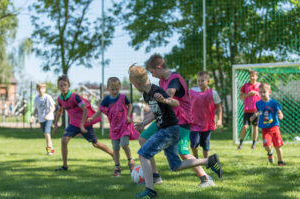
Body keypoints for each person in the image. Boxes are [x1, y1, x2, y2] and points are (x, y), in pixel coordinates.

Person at [129, 65, 222, 199]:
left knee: (143, 154)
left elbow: (176, 103)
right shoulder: (146, 94)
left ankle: (150, 190)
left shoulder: (156, 91)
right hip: (167, 129)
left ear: (136, 83)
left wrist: (165, 99)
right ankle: (209, 160)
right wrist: (144, 122)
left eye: (133, 84)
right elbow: (157, 113)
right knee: (176, 166)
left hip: (170, 130)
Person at [53, 75, 114, 171]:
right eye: (61, 86)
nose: (63, 87)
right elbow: (59, 111)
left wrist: (82, 125)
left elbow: (85, 110)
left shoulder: (75, 97)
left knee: (95, 144)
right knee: (64, 140)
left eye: (65, 85)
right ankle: (64, 166)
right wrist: (55, 125)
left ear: (68, 86)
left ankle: (114, 155)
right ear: (58, 87)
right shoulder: (60, 99)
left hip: (84, 124)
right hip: (73, 124)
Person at [87, 77, 139, 177]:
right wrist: (92, 118)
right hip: (114, 129)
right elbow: (99, 111)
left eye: (116, 89)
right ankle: (117, 167)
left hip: (124, 126)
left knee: (124, 144)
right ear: (108, 88)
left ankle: (130, 161)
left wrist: (128, 115)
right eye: (112, 89)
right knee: (115, 149)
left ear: (119, 88)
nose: (114, 91)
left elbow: (130, 105)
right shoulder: (106, 100)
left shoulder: (123, 98)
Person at [189, 71, 223, 159]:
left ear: (208, 81)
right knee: (193, 144)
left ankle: (206, 160)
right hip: (194, 123)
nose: (200, 83)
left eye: (202, 81)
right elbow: (186, 105)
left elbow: (219, 107)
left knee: (205, 145)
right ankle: (196, 158)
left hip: (207, 124)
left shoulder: (213, 93)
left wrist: (219, 119)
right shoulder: (192, 92)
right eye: (198, 81)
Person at [250, 83, 285, 166]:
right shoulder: (258, 103)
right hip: (265, 129)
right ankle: (270, 153)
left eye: (264, 92)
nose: (262, 94)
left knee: (278, 146)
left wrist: (280, 115)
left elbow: (280, 112)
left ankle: (280, 161)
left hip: (274, 127)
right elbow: (258, 111)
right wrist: (254, 116)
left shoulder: (274, 103)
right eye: (260, 92)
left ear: (269, 92)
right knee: (267, 146)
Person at [238, 70, 261, 150]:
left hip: (256, 110)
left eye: (253, 76)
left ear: (256, 77)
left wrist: (257, 93)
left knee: (255, 127)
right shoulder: (246, 85)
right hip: (247, 110)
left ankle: (253, 144)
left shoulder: (260, 85)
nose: (252, 77)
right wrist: (248, 94)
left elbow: (265, 96)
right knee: (245, 127)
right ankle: (240, 143)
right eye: (251, 76)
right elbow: (240, 97)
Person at [30, 83, 56, 155]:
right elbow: (36, 109)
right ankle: (52, 149)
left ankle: (49, 150)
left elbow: (54, 107)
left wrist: (49, 114)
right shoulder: (36, 98)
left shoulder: (48, 97)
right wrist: (33, 116)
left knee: (47, 133)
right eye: (39, 88)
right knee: (46, 135)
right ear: (37, 89)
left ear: (45, 89)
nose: (41, 90)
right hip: (41, 119)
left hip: (49, 118)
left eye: (42, 88)